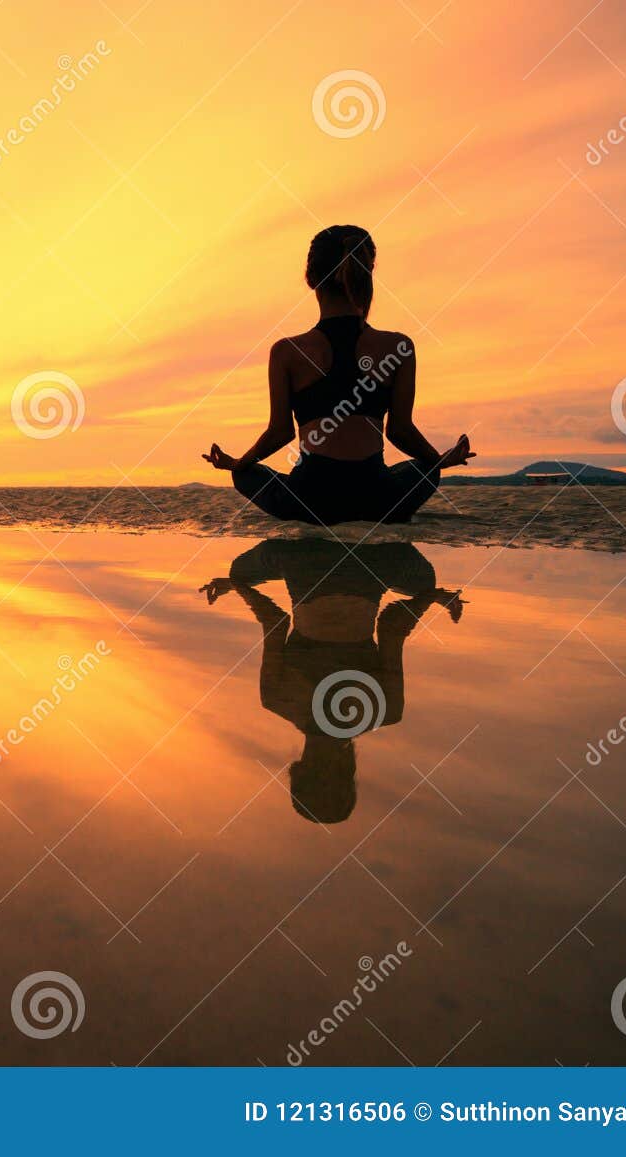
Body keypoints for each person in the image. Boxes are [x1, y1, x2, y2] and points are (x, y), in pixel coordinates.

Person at [203, 225, 475, 525]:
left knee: (245, 476)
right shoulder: (399, 346)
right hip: (377, 499)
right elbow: (400, 431)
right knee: (427, 470)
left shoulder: (287, 351)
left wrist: (238, 464)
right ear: (366, 275)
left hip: (310, 501)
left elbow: (280, 433)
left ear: (311, 279)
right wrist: (439, 460)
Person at [201, 538, 464, 823]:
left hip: (378, 561)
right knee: (240, 571)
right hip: (303, 558)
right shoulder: (276, 700)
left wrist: (432, 596)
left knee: (423, 581)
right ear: (299, 769)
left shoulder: (386, 711)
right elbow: (275, 621)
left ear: (349, 772)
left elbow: (392, 626)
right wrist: (238, 585)